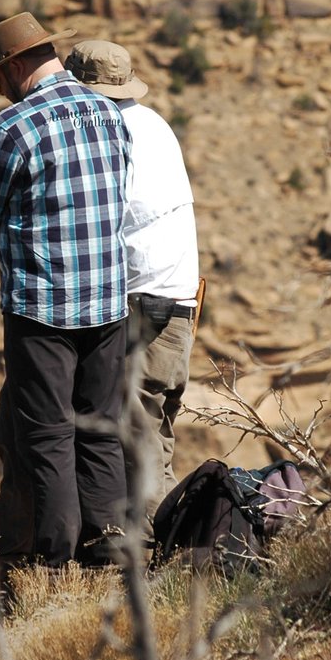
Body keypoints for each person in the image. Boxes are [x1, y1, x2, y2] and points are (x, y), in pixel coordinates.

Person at [0, 11, 132, 581]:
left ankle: (55, 570)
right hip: (109, 302)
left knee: (47, 438)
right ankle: (109, 559)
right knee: (100, 430)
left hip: (43, 307)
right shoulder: (109, 113)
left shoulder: (15, 128)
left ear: (12, 67)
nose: (0, 90)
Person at [64, 39, 200, 516]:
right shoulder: (154, 124)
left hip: (142, 300)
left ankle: (147, 552)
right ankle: (172, 548)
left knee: (135, 442)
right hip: (177, 300)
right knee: (156, 434)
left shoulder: (109, 131)